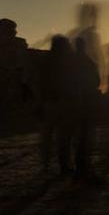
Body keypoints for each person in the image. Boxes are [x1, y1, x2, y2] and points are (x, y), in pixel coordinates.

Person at [38, 35, 77, 175]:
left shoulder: (46, 61)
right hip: (63, 102)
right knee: (63, 136)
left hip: (50, 102)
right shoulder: (67, 62)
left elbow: (41, 83)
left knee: (47, 136)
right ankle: (64, 165)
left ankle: (46, 164)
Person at [73, 37, 101, 181]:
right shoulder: (89, 62)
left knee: (75, 137)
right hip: (85, 103)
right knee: (85, 137)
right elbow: (97, 81)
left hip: (72, 103)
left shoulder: (69, 63)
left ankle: (75, 167)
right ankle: (83, 168)